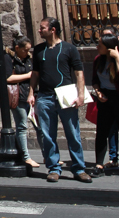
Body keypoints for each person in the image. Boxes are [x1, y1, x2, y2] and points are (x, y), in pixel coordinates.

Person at [28, 17, 91, 183]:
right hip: (45, 97)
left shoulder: (69, 48)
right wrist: (31, 93)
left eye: (42, 28)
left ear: (53, 29)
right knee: (48, 135)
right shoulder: (39, 50)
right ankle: (54, 168)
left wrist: (81, 95)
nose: (39, 30)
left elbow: (79, 73)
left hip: (66, 96)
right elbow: (35, 74)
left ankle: (79, 169)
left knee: (73, 134)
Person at [7, 35, 39, 170]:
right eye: (25, 50)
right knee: (22, 127)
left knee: (40, 127)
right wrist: (28, 75)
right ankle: (25, 157)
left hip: (32, 96)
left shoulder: (29, 59)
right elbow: (8, 78)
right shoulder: (9, 59)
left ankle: (48, 155)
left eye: (29, 50)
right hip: (19, 97)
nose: (28, 52)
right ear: (17, 48)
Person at [90, 30, 119, 177]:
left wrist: (118, 59)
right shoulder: (98, 60)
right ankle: (99, 165)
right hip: (105, 98)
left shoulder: (116, 58)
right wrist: (98, 92)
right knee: (102, 132)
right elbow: (94, 80)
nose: (97, 46)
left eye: (99, 44)